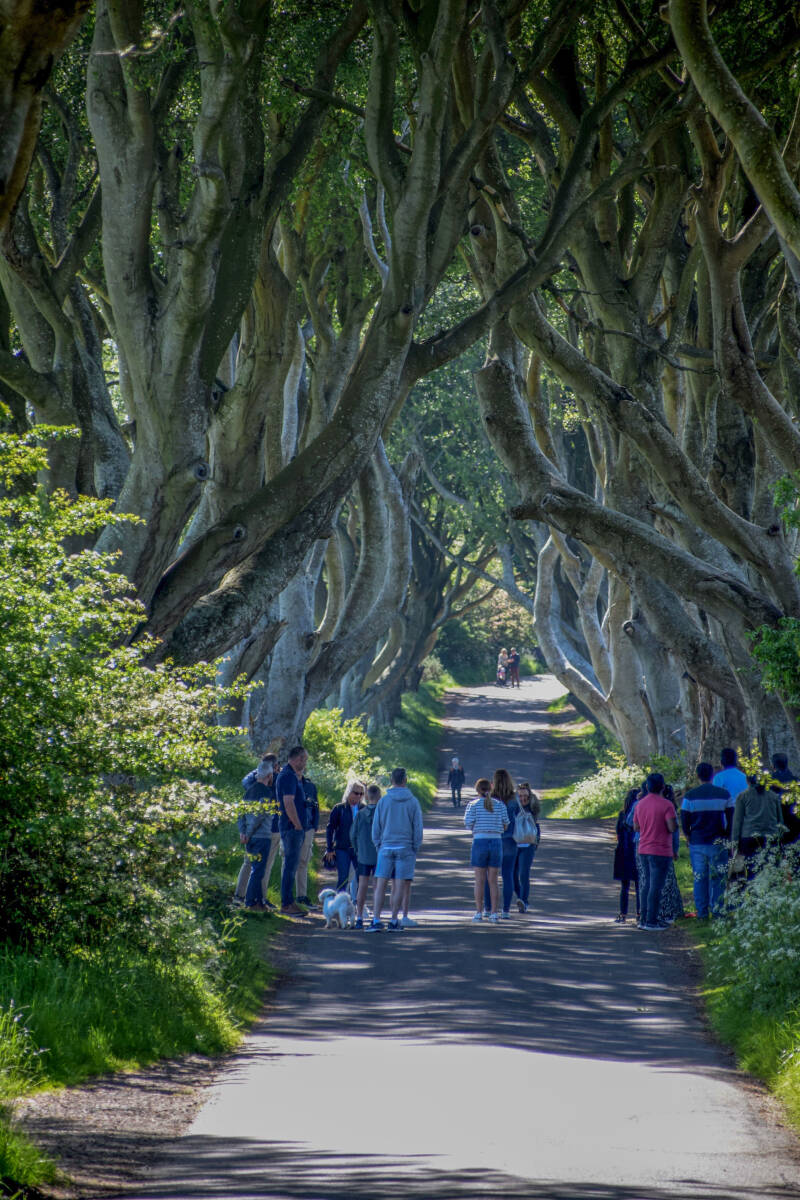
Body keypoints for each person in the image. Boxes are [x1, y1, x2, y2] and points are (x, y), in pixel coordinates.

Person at [367, 768, 423, 932]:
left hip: (385, 847)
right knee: (399, 885)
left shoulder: (384, 801)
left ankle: (376, 919)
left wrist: (378, 845)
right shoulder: (413, 801)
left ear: (391, 780)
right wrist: (415, 847)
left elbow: (376, 827)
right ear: (405, 780)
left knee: (380, 884)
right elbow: (418, 828)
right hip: (405, 848)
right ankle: (393, 920)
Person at [680, 762, 732, 919]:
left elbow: (684, 820)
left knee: (699, 878)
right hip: (718, 842)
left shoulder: (689, 796)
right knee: (718, 878)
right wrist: (727, 838)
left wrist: (688, 836)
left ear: (697, 776)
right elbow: (731, 818)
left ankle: (702, 912)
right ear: (713, 775)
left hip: (697, 842)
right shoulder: (724, 794)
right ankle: (717, 911)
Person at [633, 773, 678, 931]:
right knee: (656, 886)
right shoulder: (667, 805)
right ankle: (652, 920)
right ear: (663, 787)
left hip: (643, 848)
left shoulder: (640, 804)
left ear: (647, 787)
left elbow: (636, 827)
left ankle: (643, 918)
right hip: (660, 849)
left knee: (646, 884)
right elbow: (672, 827)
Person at [235, 753, 279, 907]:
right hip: (261, 836)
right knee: (258, 870)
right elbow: (260, 816)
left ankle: (255, 900)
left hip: (249, 837)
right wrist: (248, 833)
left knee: (252, 866)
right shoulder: (267, 793)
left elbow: (240, 814)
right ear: (269, 775)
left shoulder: (248, 791)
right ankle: (250, 902)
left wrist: (243, 832)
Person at [465, 776, 509, 923]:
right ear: (491, 789)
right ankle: (494, 913)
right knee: (494, 881)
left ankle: (479, 912)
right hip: (496, 842)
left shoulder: (473, 805)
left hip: (479, 842)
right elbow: (506, 824)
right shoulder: (500, 805)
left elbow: (468, 824)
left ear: (477, 790)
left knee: (479, 880)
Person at [276, 745, 310, 915]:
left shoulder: (291, 776)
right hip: (291, 829)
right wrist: (297, 824)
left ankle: (289, 901)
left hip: (293, 828)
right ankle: (287, 903)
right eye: (304, 759)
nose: (305, 763)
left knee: (292, 865)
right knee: (290, 866)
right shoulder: (288, 776)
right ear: (298, 759)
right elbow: (288, 802)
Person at [731, 775, 785, 881]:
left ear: (747, 781)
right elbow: (780, 820)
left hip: (749, 839)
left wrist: (735, 843)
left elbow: (737, 822)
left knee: (752, 872)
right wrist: (780, 839)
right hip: (771, 837)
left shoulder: (743, 796)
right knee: (771, 871)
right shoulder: (774, 796)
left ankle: (754, 895)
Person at [483, 768, 517, 918]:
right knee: (508, 875)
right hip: (510, 841)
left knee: (490, 876)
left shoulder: (490, 799)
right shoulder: (514, 800)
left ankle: (488, 907)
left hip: (493, 840)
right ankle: (506, 910)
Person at [325, 780, 365, 898]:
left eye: (361, 794)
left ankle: (357, 904)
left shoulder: (365, 809)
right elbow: (330, 828)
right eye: (356, 793)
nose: (358, 796)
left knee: (360, 878)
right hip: (342, 848)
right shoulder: (339, 809)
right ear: (349, 792)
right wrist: (329, 848)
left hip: (359, 850)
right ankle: (340, 904)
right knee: (343, 878)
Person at [352, 784, 380, 929]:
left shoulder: (360, 814)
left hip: (363, 854)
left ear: (367, 796)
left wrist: (357, 849)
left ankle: (359, 917)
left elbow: (353, 835)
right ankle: (376, 917)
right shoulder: (382, 813)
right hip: (378, 855)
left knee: (362, 885)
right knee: (377, 886)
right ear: (380, 797)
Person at [656, 785, 684, 925]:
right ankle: (670, 911)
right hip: (665, 849)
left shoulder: (652, 805)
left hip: (650, 848)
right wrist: (675, 850)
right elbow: (674, 832)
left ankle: (656, 911)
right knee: (668, 882)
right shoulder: (669, 807)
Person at [613, 787, 640, 923]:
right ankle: (639, 913)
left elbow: (618, 834)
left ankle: (623, 914)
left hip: (623, 851)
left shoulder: (622, 815)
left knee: (625, 886)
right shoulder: (640, 812)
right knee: (639, 884)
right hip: (636, 850)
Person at [513, 782, 541, 913]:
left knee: (524, 874)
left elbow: (536, 825)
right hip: (514, 844)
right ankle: (521, 898)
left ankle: (523, 900)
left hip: (528, 844)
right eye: (520, 796)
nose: (523, 798)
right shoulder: (513, 807)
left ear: (529, 796)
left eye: (525, 796)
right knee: (512, 876)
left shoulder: (533, 807)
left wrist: (536, 843)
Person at [295, 770, 320, 909]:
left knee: (303, 861)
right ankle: (286, 898)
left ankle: (301, 896)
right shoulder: (285, 782)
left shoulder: (310, 786)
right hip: (290, 828)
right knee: (289, 861)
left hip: (308, 827)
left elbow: (315, 805)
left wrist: (315, 825)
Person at [770, 753, 800, 845]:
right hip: (794, 820)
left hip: (775, 821)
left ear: (773, 765)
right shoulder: (796, 780)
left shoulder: (770, 781)